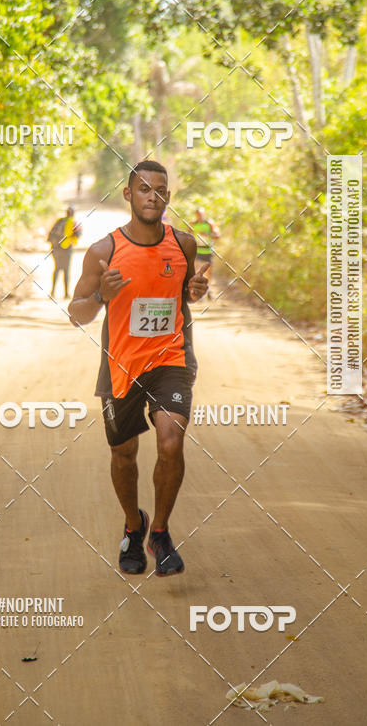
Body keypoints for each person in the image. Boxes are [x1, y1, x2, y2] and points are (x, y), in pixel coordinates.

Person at [68, 161, 209, 577]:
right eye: (144, 189)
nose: (153, 196)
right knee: (123, 453)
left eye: (161, 189)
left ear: (169, 196)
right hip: (121, 366)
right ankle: (134, 524)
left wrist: (196, 291)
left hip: (172, 360)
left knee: (171, 443)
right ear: (129, 195)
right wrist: (100, 297)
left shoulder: (184, 244)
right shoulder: (103, 251)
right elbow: (76, 314)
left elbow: (187, 292)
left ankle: (160, 533)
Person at [48, 206, 80, 299]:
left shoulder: (59, 221)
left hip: (56, 249)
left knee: (57, 269)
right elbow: (77, 235)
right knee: (66, 270)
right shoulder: (74, 223)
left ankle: (53, 292)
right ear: (73, 214)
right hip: (67, 249)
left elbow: (50, 235)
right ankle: (66, 294)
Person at [190, 207, 220, 300]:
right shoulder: (193, 224)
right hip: (197, 250)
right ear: (196, 215)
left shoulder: (209, 223)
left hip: (208, 251)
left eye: (201, 214)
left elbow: (217, 235)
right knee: (197, 271)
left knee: (208, 273)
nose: (200, 216)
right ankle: (199, 292)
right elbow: (187, 236)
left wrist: (207, 235)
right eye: (198, 214)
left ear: (204, 214)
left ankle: (208, 290)